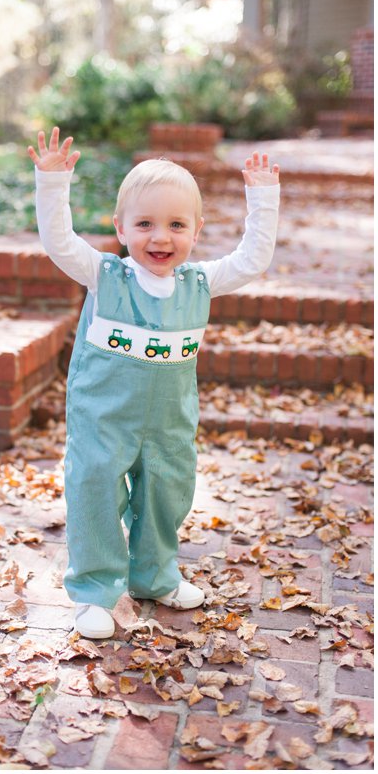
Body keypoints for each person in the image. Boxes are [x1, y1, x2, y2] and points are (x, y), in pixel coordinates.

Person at [27, 127, 280, 639]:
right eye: (144, 224)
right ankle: (95, 590)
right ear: (120, 228)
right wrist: (52, 184)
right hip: (103, 419)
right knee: (96, 496)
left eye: (176, 225)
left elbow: (253, 259)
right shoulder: (104, 275)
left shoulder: (200, 283)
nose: (160, 238)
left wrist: (263, 198)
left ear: (196, 230)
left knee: (166, 497)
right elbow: (59, 241)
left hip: (169, 422)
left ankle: (155, 576)